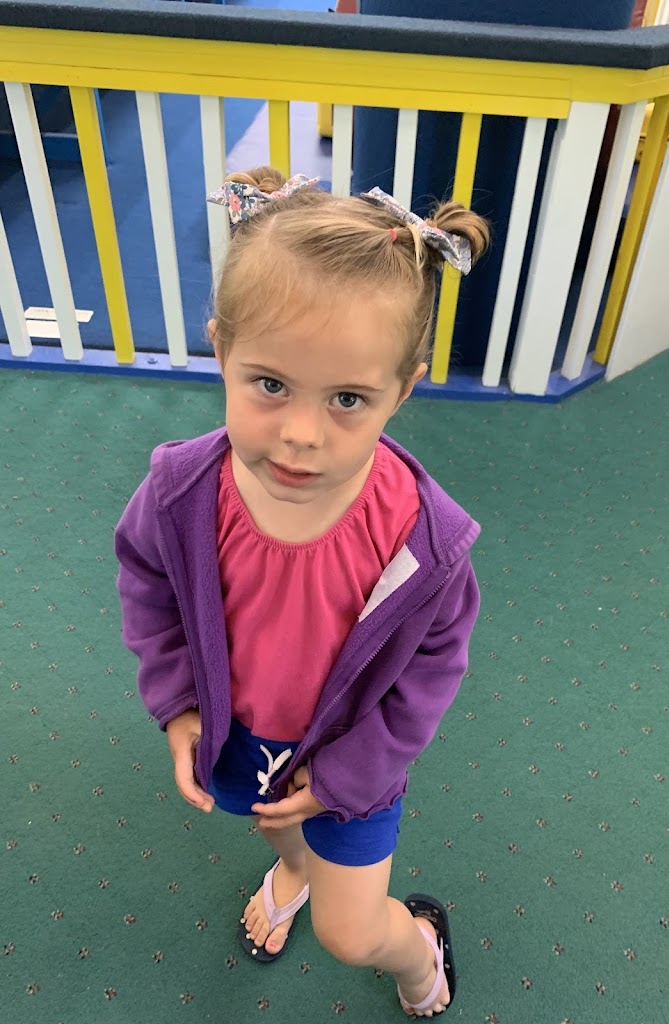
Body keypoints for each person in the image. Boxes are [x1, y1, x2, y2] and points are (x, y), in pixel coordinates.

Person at [115, 166, 489, 1016]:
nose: (300, 434)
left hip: (353, 760)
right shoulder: (178, 493)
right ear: (222, 350)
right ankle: (293, 868)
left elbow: (432, 671)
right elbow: (149, 585)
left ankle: (417, 951)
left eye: (348, 398)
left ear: (403, 390)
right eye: (271, 384)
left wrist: (350, 774)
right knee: (273, 820)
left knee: (351, 934)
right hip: (243, 733)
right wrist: (178, 703)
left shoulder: (424, 539)